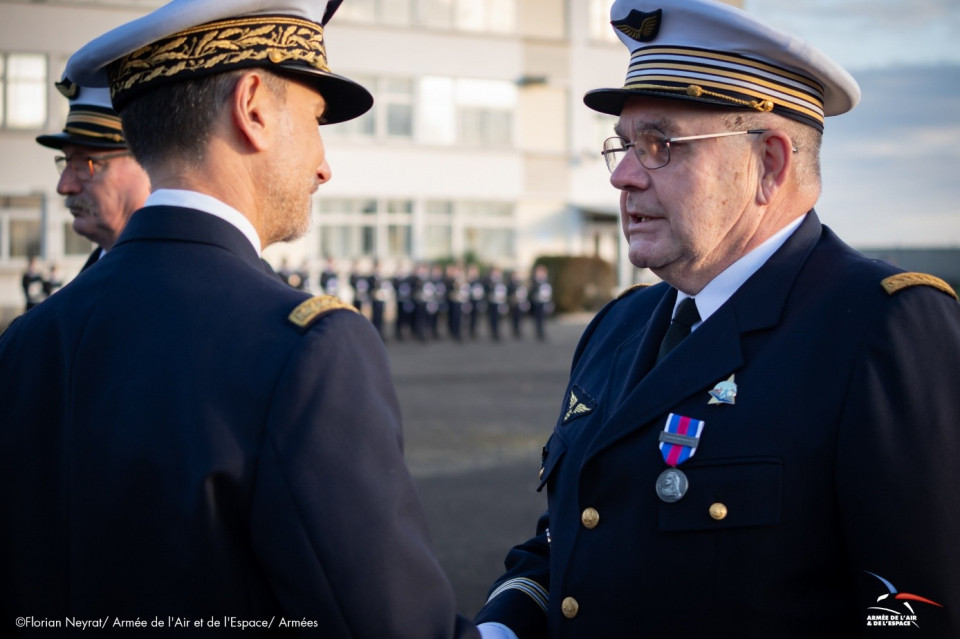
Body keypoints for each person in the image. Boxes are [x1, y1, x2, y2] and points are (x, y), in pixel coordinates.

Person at [475, 1, 960, 637]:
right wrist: (501, 628)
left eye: (660, 145)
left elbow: (912, 610)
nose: (623, 177)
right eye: (624, 145)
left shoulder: (880, 328)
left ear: (770, 165)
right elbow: (581, 532)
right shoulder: (620, 326)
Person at [0, 2, 479, 637]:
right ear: (252, 107)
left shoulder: (28, 339)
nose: (324, 164)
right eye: (314, 120)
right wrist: (520, 608)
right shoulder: (308, 347)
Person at [36, 79, 150, 271]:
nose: (64, 186)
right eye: (67, 161)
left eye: (85, 163)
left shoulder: (182, 273)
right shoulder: (93, 272)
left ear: (146, 164)